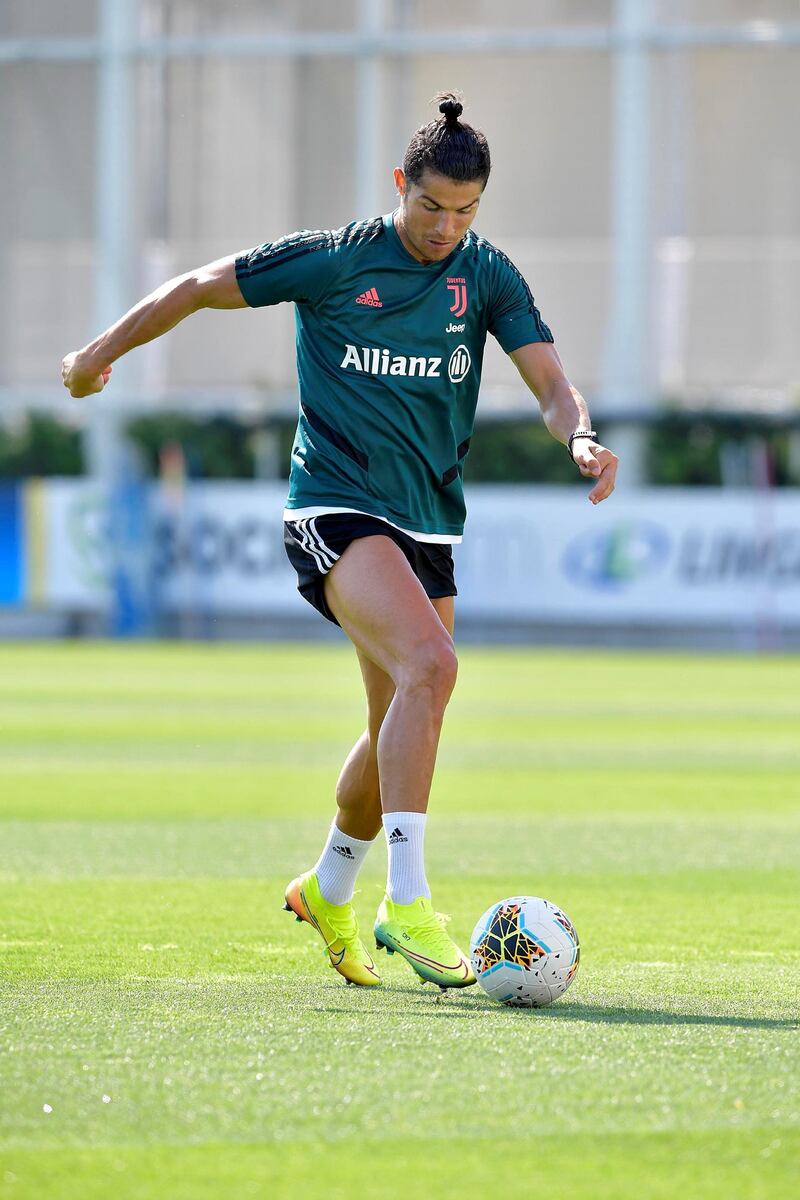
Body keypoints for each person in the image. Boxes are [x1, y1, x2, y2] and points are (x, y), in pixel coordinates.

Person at [62, 93, 618, 993]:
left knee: (397, 715)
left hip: (428, 524)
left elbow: (551, 383)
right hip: (332, 507)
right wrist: (99, 353)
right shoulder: (333, 259)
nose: (446, 227)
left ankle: (327, 887)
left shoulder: (487, 275)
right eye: (431, 205)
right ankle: (409, 903)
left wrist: (580, 435)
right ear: (401, 184)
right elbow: (199, 285)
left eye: (466, 211)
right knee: (433, 669)